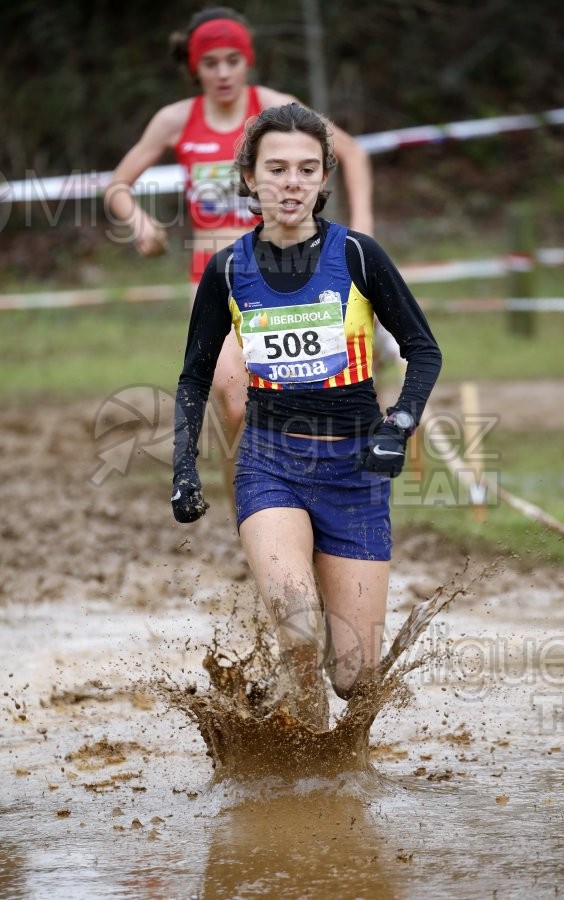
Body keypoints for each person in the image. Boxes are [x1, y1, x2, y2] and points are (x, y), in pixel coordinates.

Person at [170, 102, 442, 731]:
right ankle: (304, 778)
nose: (291, 183)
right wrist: (183, 467)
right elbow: (193, 375)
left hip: (354, 471)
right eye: (276, 169)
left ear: (323, 180)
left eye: (306, 169)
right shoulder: (228, 269)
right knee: (295, 625)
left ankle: (343, 752)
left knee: (354, 678)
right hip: (271, 463)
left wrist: (398, 427)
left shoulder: (358, 257)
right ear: (249, 177)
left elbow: (424, 350)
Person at [104, 7, 374, 502]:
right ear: (194, 67)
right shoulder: (175, 120)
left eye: (233, 60)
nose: (223, 72)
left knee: (296, 398)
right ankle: (251, 513)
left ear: (247, 62)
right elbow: (118, 185)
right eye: (211, 62)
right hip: (215, 277)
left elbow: (351, 153)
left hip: (287, 272)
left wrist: (361, 237)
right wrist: (141, 223)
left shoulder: (272, 108)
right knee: (235, 404)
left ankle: (298, 504)